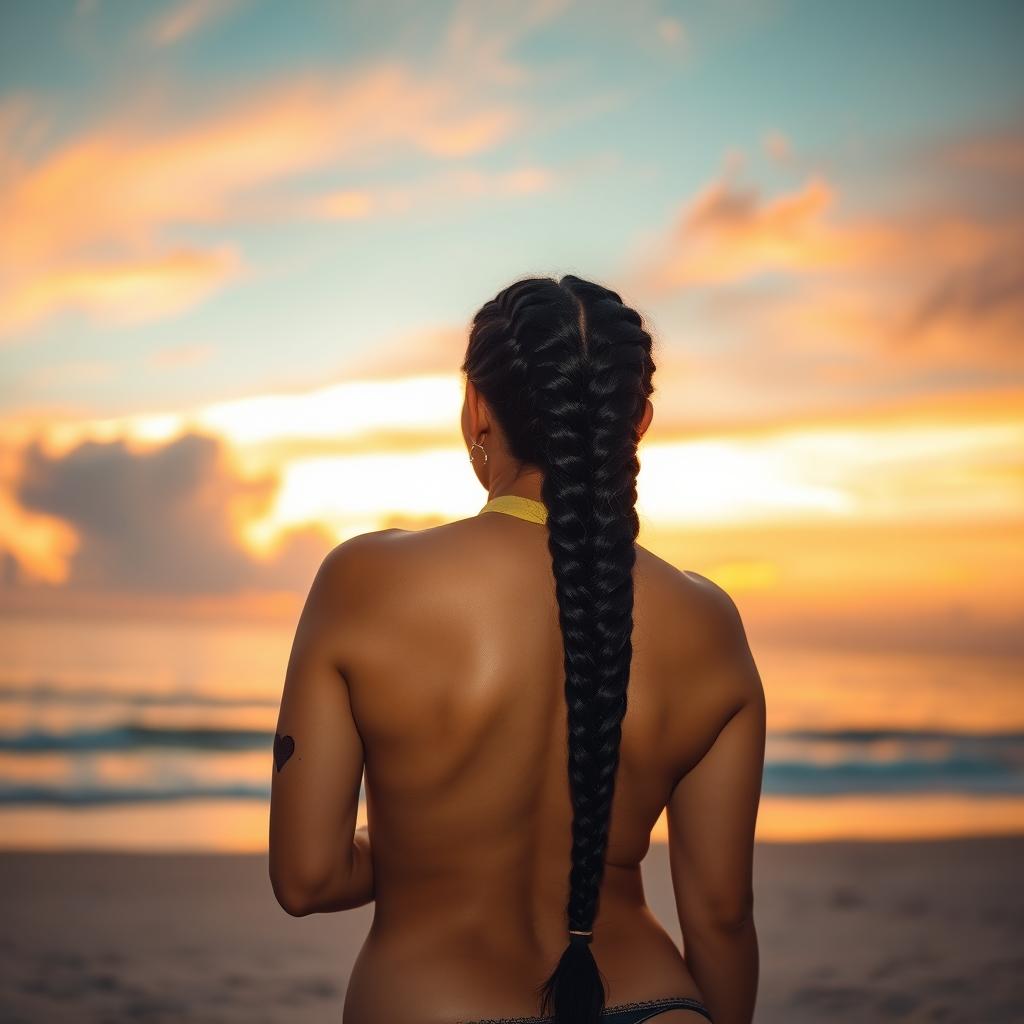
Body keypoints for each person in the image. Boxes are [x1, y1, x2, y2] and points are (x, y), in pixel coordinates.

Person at [269, 275, 766, 1024]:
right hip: (656, 1002)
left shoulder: (365, 581)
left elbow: (308, 879)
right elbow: (722, 915)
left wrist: (423, 845)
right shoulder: (707, 620)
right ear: (638, 420)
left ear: (476, 407)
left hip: (433, 1003)